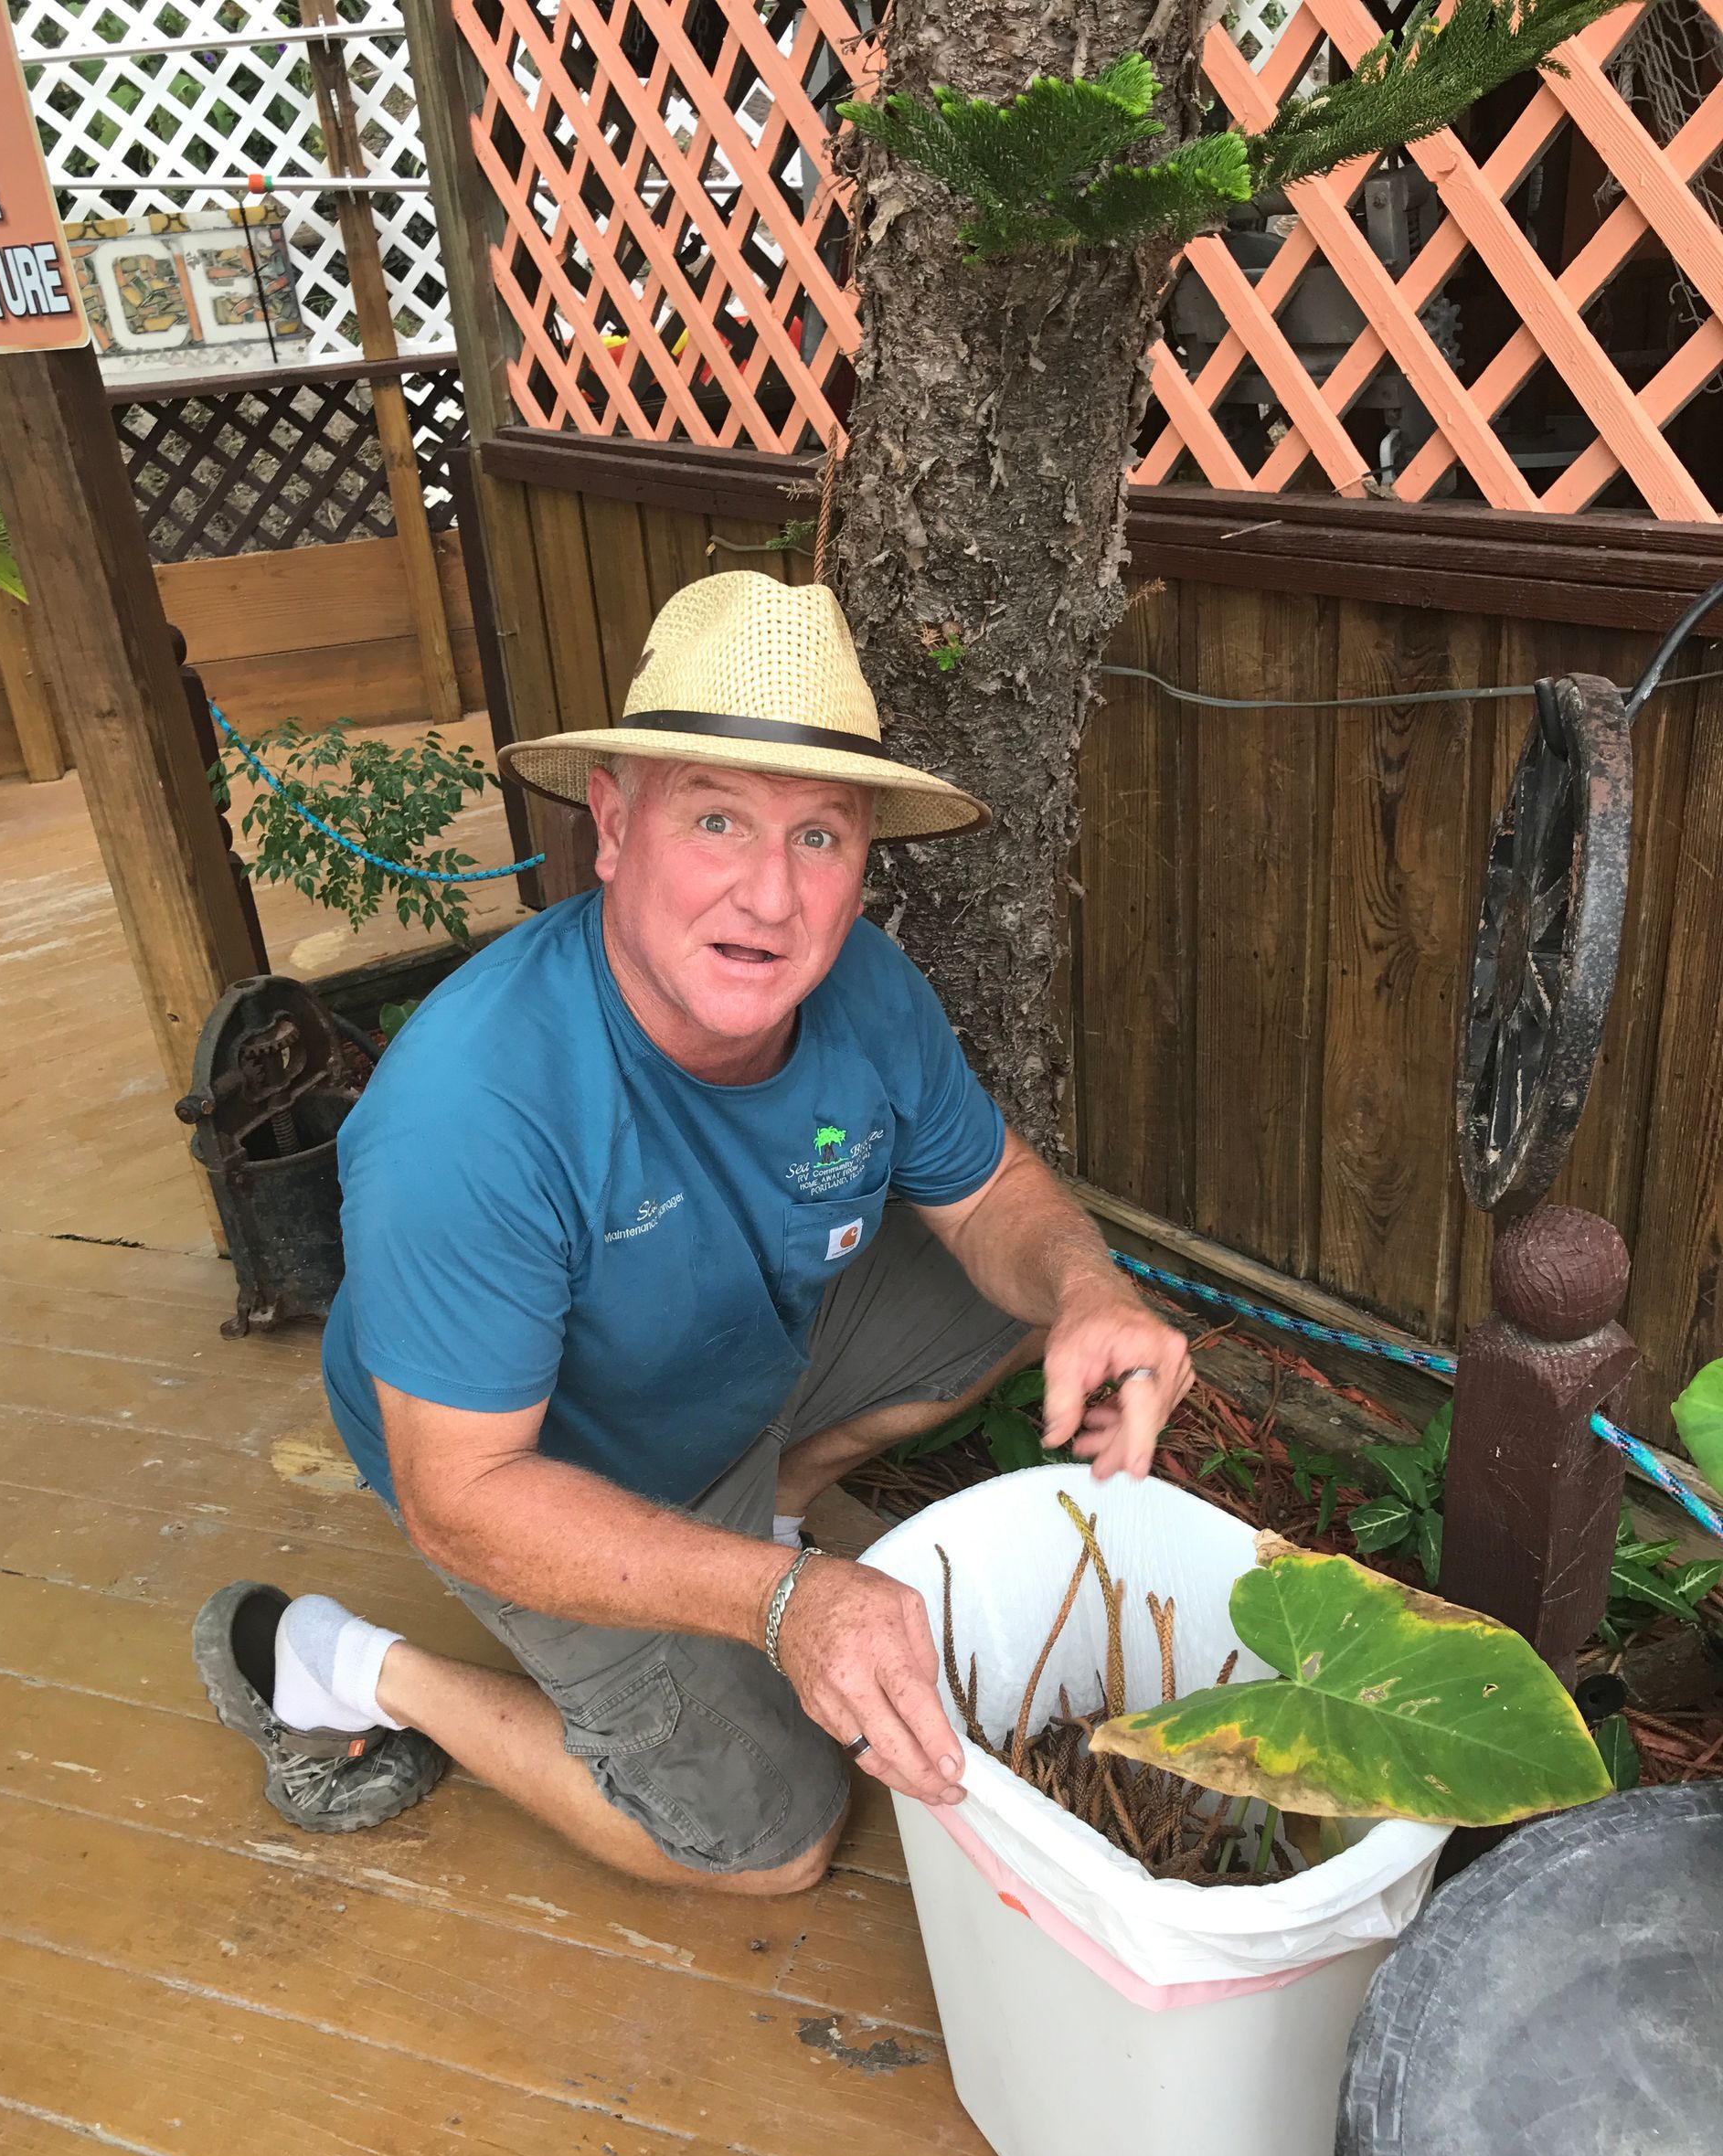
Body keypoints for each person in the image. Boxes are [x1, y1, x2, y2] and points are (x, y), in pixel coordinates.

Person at [193, 569, 1193, 1892]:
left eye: (820, 838)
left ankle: (758, 1509)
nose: (771, 900)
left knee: (1023, 1299)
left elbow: (994, 1191)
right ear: (613, 825)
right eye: (718, 821)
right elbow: (462, 1497)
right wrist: (784, 1604)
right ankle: (347, 1664)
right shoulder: (469, 1112)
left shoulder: (867, 992)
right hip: (522, 1464)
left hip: (718, 1362)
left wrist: (1087, 1285)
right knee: (768, 1847)